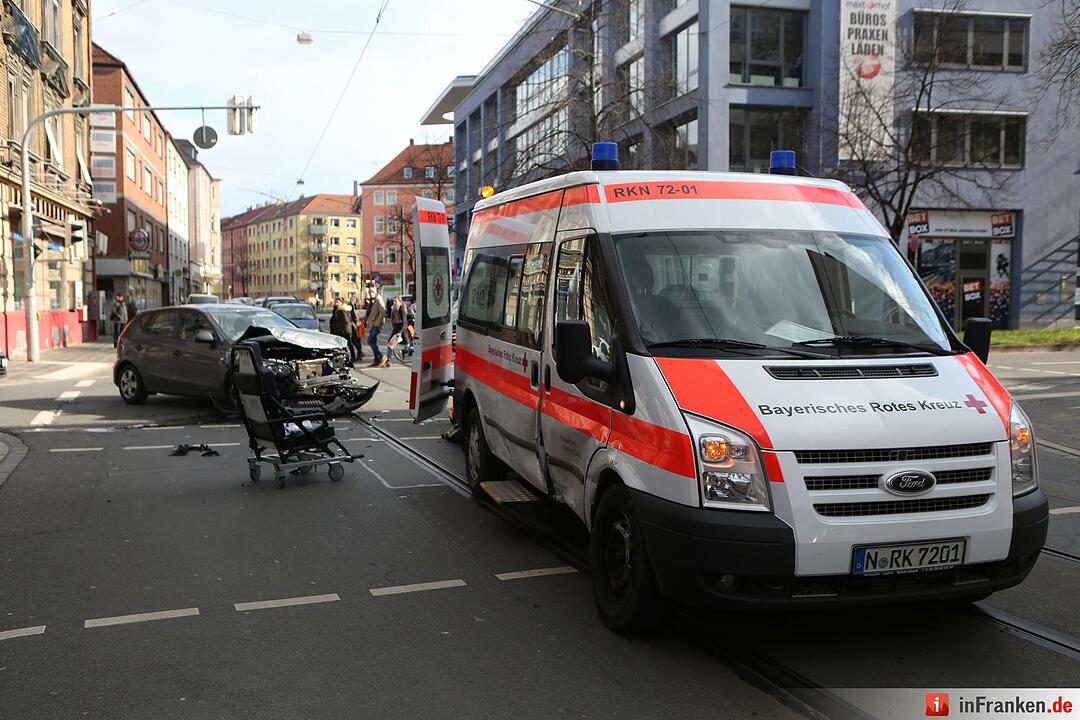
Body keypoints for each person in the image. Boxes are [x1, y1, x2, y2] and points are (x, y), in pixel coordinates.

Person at [365, 288, 387, 367]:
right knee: (373, 342)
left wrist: (377, 323)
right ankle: (376, 360)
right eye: (369, 292)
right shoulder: (371, 302)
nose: (370, 294)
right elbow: (369, 314)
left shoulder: (379, 300)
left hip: (376, 325)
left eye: (372, 292)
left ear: (376, 293)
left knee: (370, 341)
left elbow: (383, 312)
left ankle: (382, 356)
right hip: (371, 325)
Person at [389, 296, 406, 362]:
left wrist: (400, 332)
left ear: (399, 301)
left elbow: (404, 320)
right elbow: (392, 318)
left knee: (406, 345)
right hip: (396, 327)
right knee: (390, 344)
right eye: (393, 301)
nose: (394, 302)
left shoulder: (402, 307)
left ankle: (404, 352)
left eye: (396, 301)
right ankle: (388, 360)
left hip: (401, 328)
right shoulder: (393, 308)